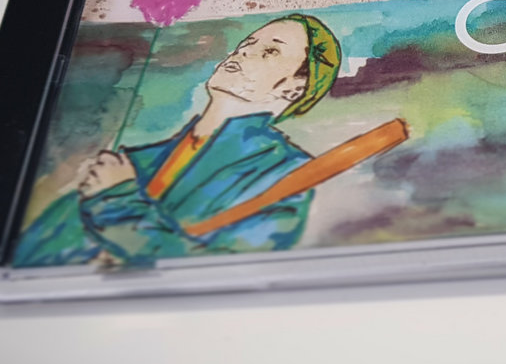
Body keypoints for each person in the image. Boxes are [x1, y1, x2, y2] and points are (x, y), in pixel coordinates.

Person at [15, 14, 341, 267]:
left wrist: (117, 200)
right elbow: (35, 254)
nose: (243, 51)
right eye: (248, 42)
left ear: (293, 89)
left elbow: (223, 272)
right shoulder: (135, 162)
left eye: (270, 51)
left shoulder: (284, 175)